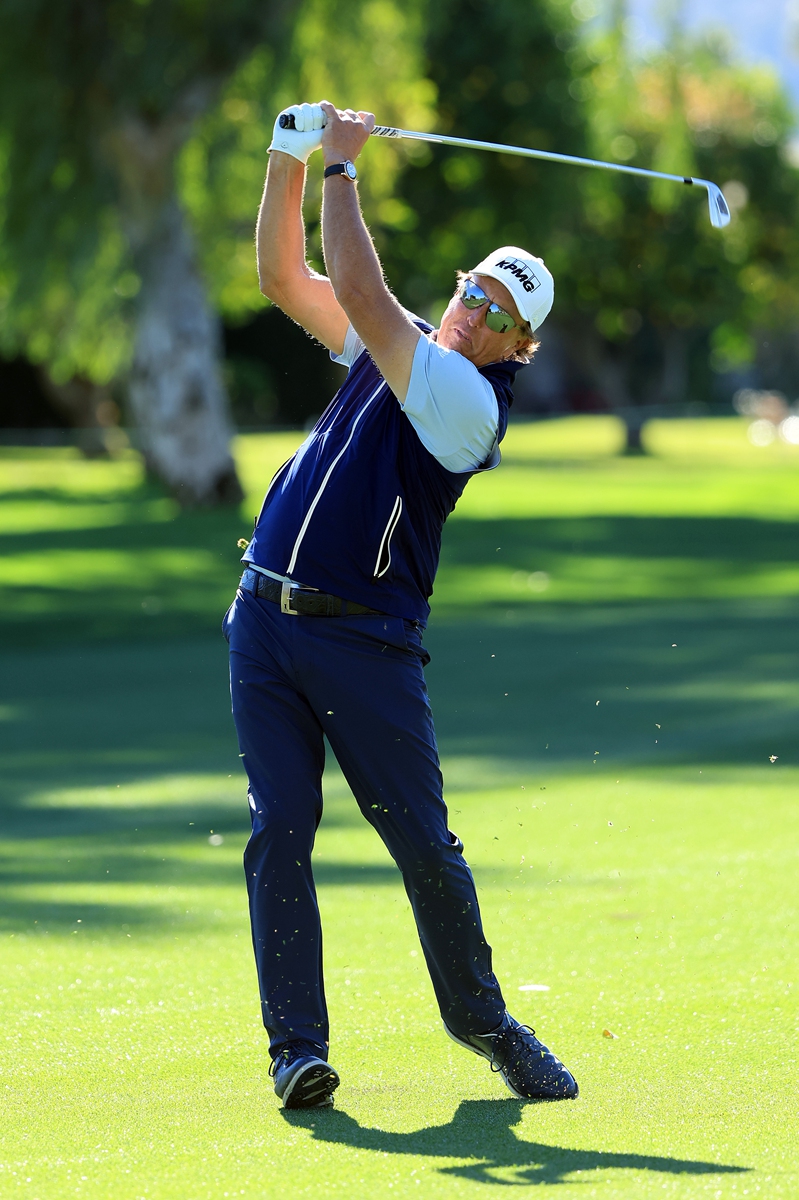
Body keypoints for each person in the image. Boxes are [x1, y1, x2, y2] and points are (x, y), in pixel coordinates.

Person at [223, 100, 578, 1110]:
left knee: (422, 843)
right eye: (474, 291)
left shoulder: (468, 404)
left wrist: (342, 168)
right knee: (279, 829)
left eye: (500, 315)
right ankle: (296, 1051)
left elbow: (365, 299)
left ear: (518, 346)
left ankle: (486, 1024)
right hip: (263, 621)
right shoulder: (404, 345)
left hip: (365, 647)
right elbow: (283, 279)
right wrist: (287, 154)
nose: (475, 313)